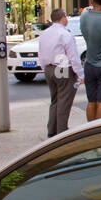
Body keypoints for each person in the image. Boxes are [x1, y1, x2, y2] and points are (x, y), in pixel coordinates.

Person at [38, 8, 84, 137]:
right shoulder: (65, 34)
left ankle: (52, 130)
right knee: (64, 101)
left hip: (49, 68)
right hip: (62, 68)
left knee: (55, 100)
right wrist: (80, 74)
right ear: (63, 17)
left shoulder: (44, 34)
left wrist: (45, 68)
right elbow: (73, 56)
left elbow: (41, 53)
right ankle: (61, 132)